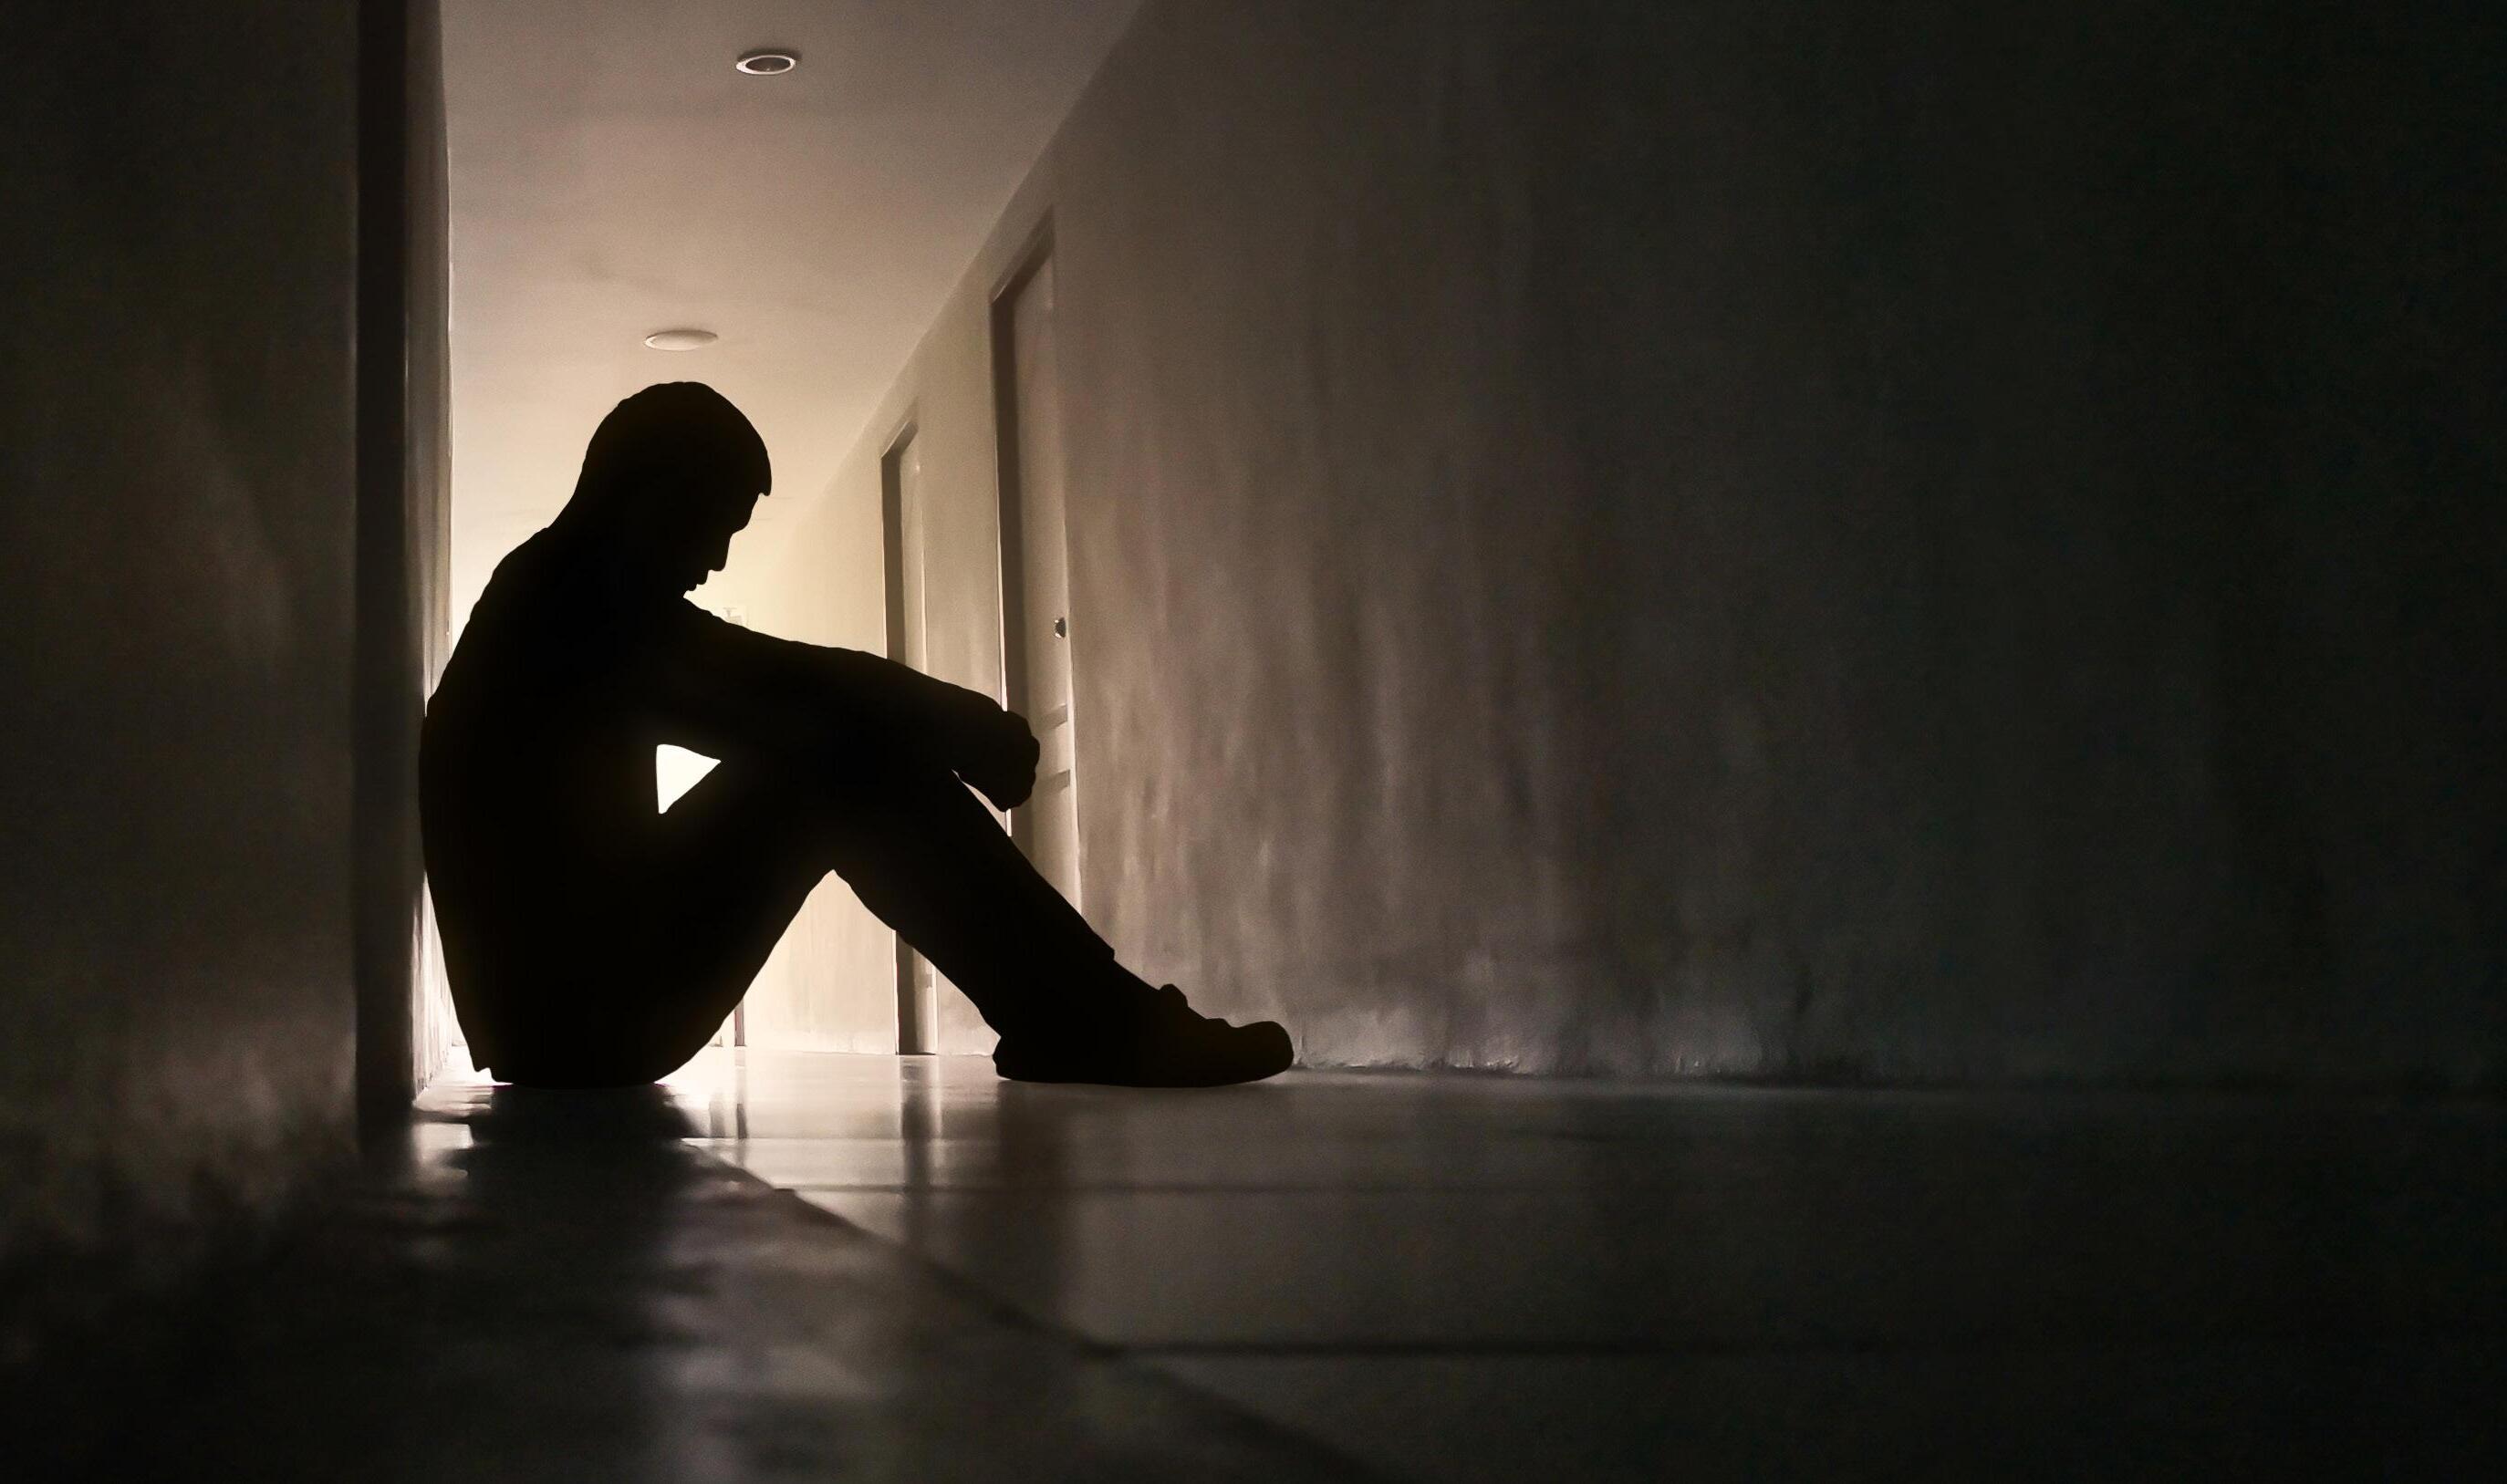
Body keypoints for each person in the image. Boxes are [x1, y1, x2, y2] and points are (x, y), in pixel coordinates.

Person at [421, 382, 1292, 1089]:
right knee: (843, 762)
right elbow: (778, 684)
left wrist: (939, 724)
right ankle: (1093, 1021)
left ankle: (1081, 1016)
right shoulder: (571, 601)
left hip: (573, 1012)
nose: (714, 561)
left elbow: (768, 687)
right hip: (584, 1021)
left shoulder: (550, 592)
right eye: (712, 525)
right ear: (651, 493)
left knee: (839, 747)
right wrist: (963, 725)